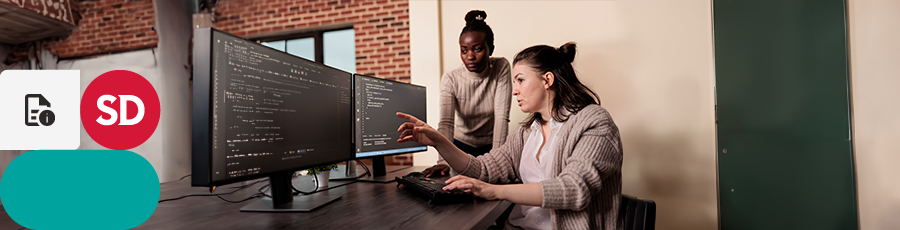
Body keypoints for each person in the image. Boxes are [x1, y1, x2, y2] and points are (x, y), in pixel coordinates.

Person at [397, 42, 622, 229]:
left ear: (547, 80)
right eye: (514, 82)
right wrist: (439, 142)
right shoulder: (526, 134)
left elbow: (574, 189)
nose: (514, 90)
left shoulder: (594, 122)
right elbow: (482, 169)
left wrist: (494, 191)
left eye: (520, 80)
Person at [422, 10, 512, 178]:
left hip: (491, 146)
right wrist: (443, 161)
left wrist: (498, 160)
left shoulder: (501, 67)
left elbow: (501, 117)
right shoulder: (451, 77)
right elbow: (447, 123)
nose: (470, 56)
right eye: (464, 50)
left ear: (490, 49)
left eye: (477, 49)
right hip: (460, 147)